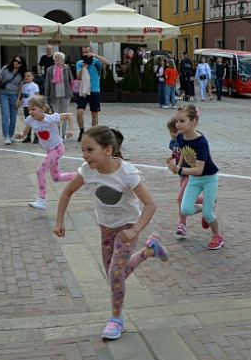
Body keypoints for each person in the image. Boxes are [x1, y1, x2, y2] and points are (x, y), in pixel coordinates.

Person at [53, 125, 167, 340]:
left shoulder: (127, 173)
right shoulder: (87, 171)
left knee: (116, 274)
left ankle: (116, 319)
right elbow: (67, 191)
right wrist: (59, 221)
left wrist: (135, 230)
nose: (85, 156)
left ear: (107, 150)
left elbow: (150, 204)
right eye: (83, 150)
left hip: (126, 228)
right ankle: (149, 251)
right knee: (116, 275)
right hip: (105, 229)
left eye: (90, 150)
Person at [166, 102, 225, 250]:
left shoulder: (201, 142)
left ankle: (218, 235)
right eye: (177, 121)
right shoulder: (180, 138)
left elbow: (199, 170)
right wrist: (177, 163)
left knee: (209, 214)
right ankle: (207, 207)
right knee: (185, 209)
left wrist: (179, 169)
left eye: (182, 121)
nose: (178, 125)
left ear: (193, 122)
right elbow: (185, 154)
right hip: (194, 179)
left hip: (209, 178)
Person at [17, 95, 76, 210]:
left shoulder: (51, 118)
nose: (31, 112)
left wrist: (69, 130)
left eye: (33, 109)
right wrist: (20, 135)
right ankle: (81, 176)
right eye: (29, 109)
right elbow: (24, 133)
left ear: (43, 109)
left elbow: (69, 115)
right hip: (49, 151)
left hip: (57, 149)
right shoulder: (30, 120)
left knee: (40, 170)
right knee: (56, 178)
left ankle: (42, 200)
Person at [75, 46, 108, 140]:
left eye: (87, 52)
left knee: (94, 113)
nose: (85, 54)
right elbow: (78, 76)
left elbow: (106, 62)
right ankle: (82, 131)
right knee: (79, 111)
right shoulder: (80, 63)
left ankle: (93, 133)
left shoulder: (96, 62)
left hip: (94, 90)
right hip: (83, 90)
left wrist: (94, 55)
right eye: (83, 53)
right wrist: (82, 68)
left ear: (91, 52)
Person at [44, 51, 74, 138]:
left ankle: (64, 133)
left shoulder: (66, 68)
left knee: (65, 114)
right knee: (56, 115)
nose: (57, 59)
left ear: (62, 59)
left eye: (59, 58)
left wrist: (72, 91)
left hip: (65, 95)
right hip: (54, 95)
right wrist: (46, 96)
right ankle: (56, 133)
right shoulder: (50, 70)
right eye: (55, 57)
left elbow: (71, 80)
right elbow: (47, 84)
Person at [0, 55, 23, 145]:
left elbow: (20, 87)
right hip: (4, 94)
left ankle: (11, 135)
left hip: (14, 95)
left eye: (19, 62)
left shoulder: (21, 73)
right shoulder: (6, 68)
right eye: (15, 60)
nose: (16, 63)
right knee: (5, 115)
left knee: (13, 117)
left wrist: (18, 99)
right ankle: (6, 136)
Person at [17, 70, 40, 144]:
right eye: (25, 76)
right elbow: (23, 96)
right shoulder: (24, 86)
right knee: (28, 122)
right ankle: (28, 136)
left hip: (33, 106)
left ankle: (36, 136)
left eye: (28, 76)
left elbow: (37, 95)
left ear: (33, 77)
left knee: (35, 121)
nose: (26, 77)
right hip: (26, 106)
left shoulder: (34, 86)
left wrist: (37, 105)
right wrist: (20, 102)